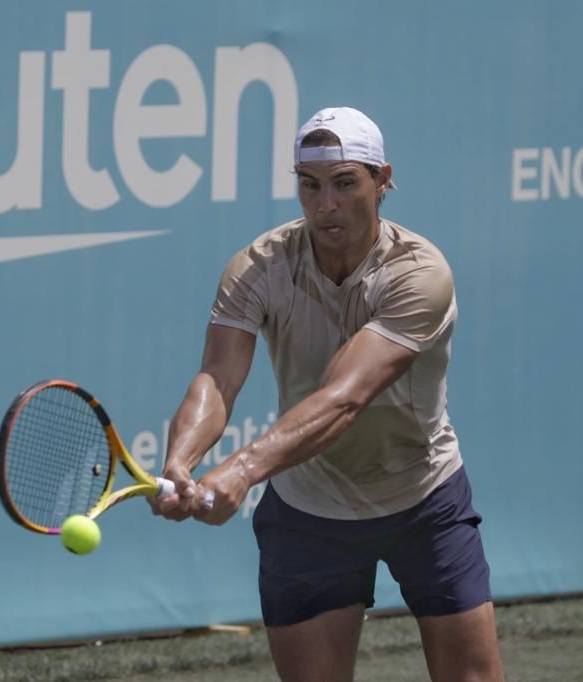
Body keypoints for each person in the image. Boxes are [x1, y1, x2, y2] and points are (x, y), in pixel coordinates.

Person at [152, 106, 505, 681]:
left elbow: (345, 396)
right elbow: (217, 379)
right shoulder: (257, 267)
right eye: (310, 185)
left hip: (423, 496)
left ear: (382, 180)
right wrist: (180, 463)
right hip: (309, 511)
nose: (325, 203)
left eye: (345, 184)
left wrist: (241, 469)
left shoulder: (420, 273)